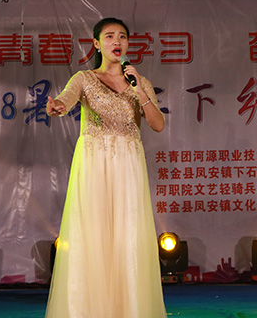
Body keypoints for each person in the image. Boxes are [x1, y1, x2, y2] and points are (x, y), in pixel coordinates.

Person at [45, 17, 167, 318]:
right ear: (97, 44)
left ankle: (129, 308)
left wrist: (140, 92)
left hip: (128, 164)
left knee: (128, 234)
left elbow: (158, 124)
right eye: (110, 36)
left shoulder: (139, 82)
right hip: (95, 164)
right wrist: (58, 106)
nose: (117, 42)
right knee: (93, 234)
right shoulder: (84, 78)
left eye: (122, 36)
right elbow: (66, 99)